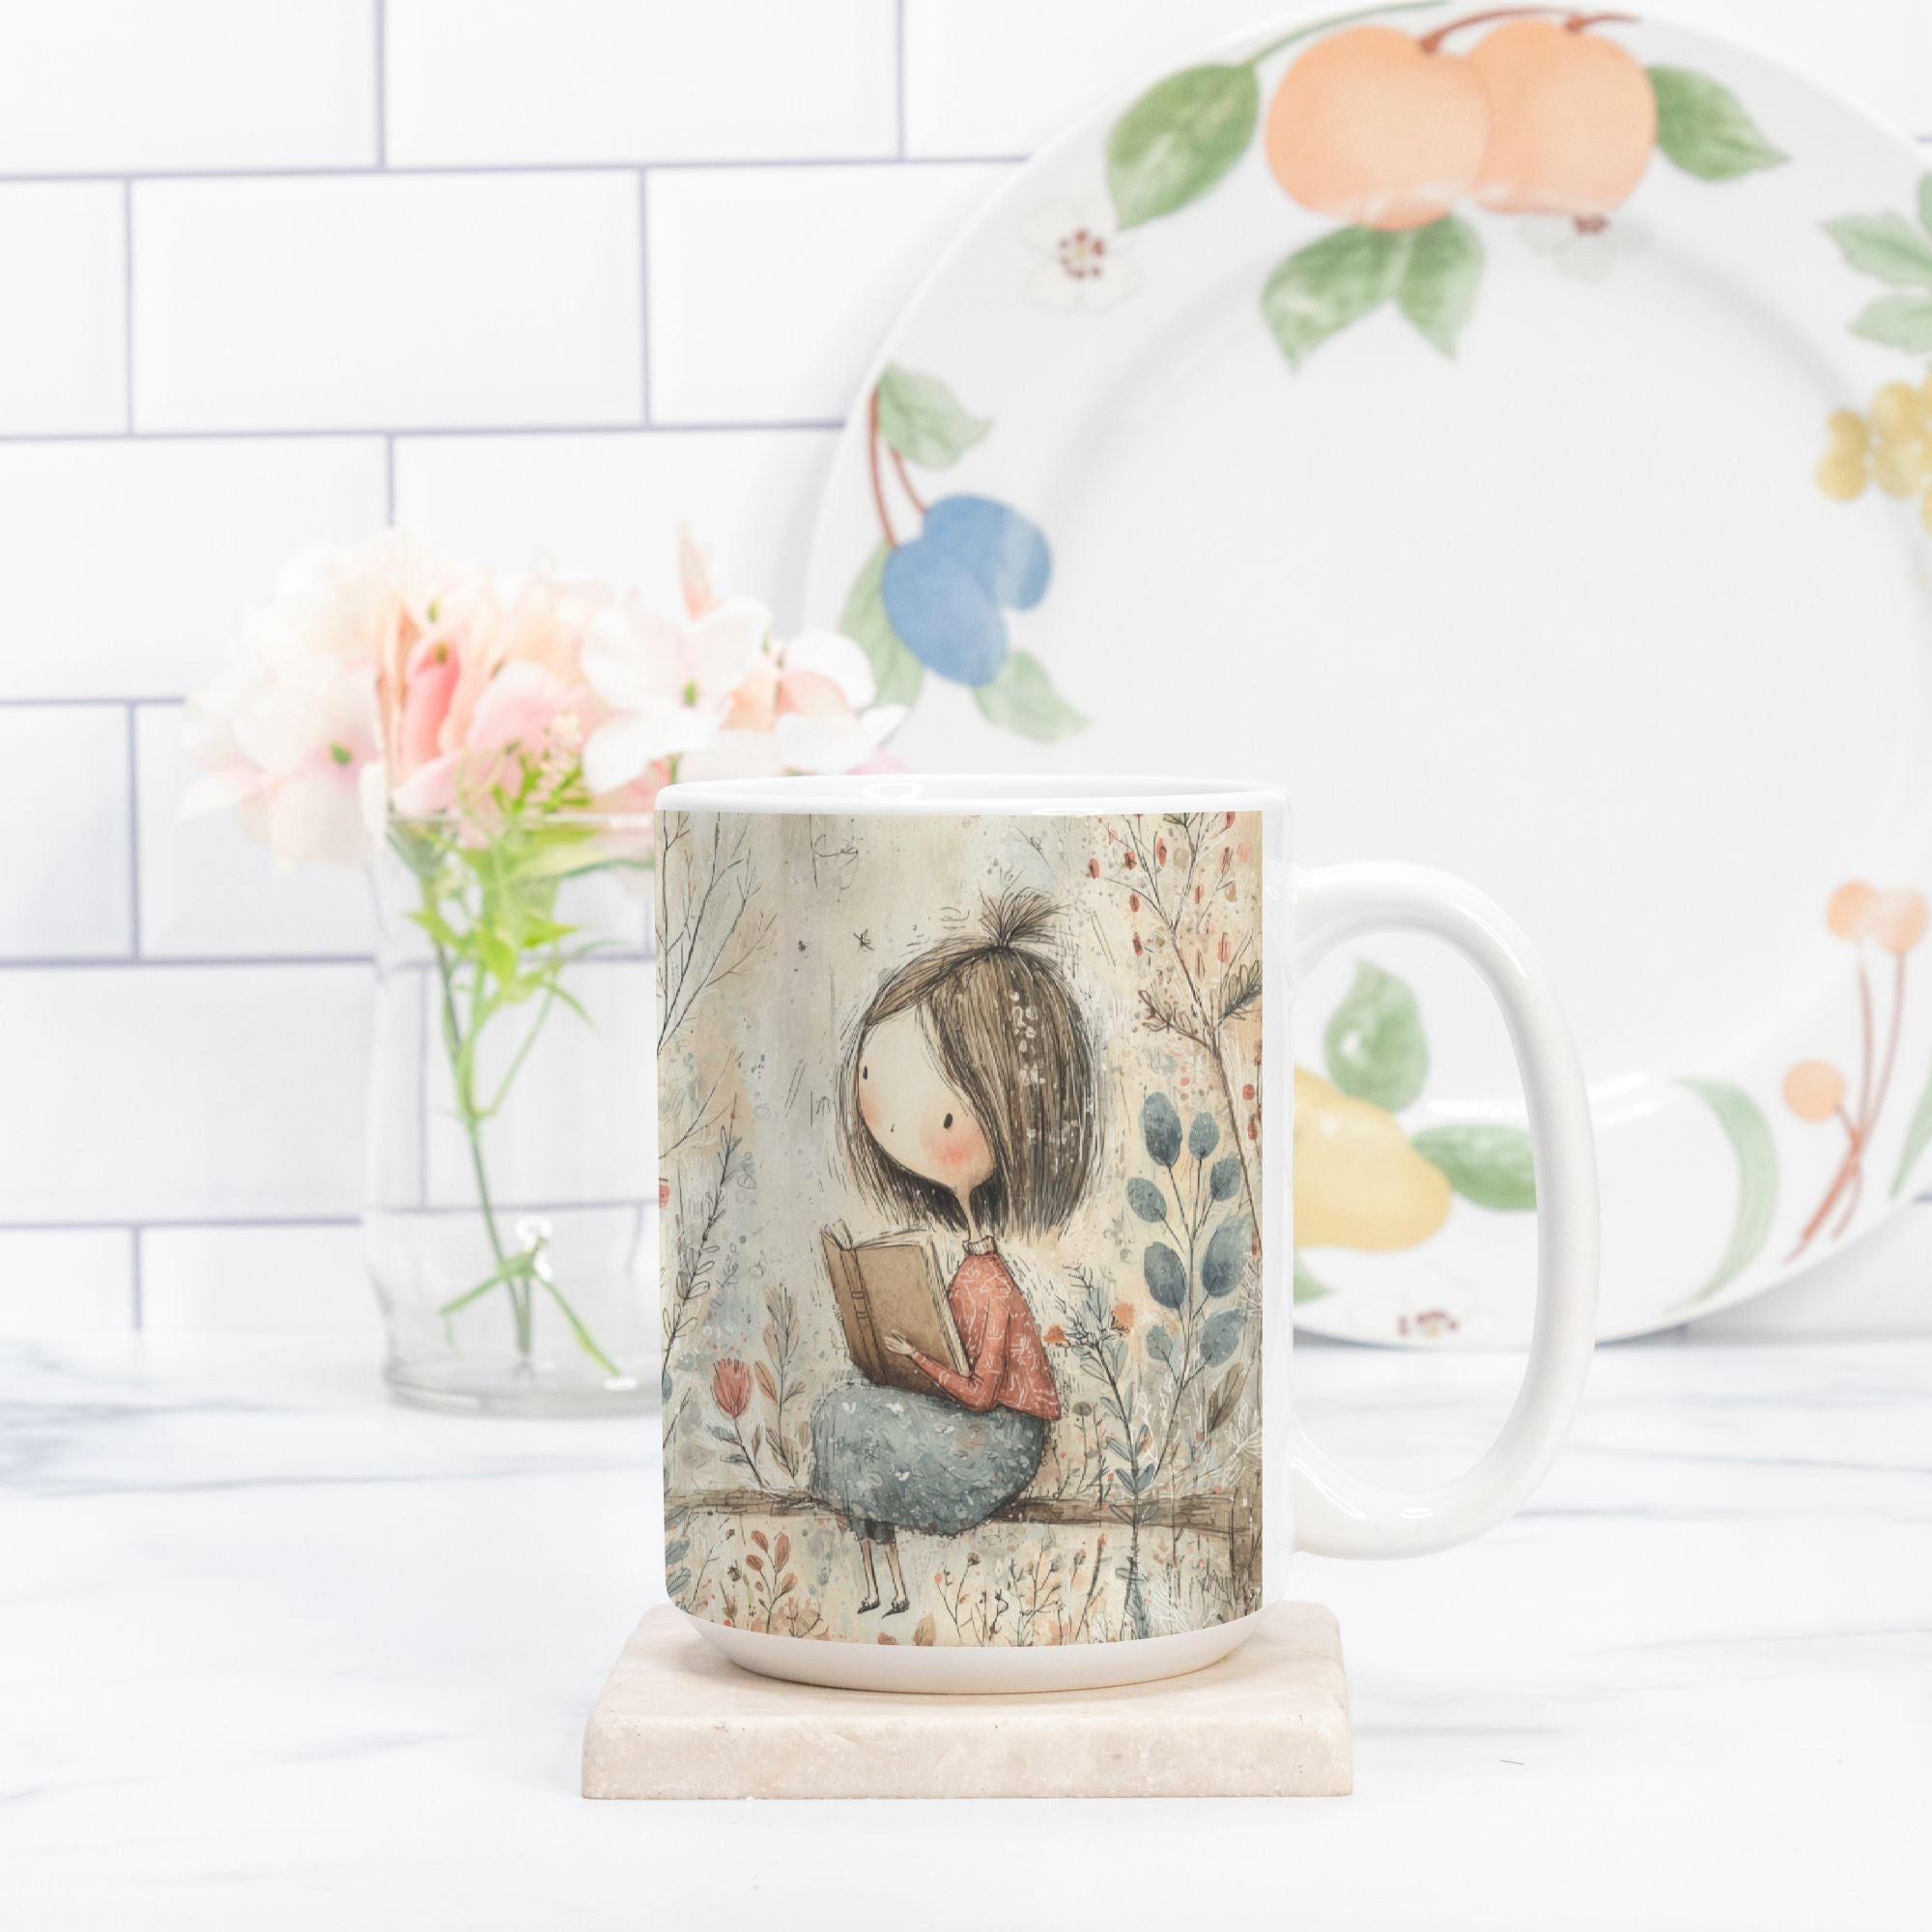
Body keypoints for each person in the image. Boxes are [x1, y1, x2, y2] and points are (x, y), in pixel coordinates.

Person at [810, 890, 1097, 1615]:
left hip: (998, 1444)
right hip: (968, 1422)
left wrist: (918, 1358)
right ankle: (884, 1587)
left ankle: (889, 1584)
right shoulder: (970, 1267)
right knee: (846, 1411)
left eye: (938, 1113)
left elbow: (979, 1393)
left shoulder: (992, 1284)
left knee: (859, 1422)